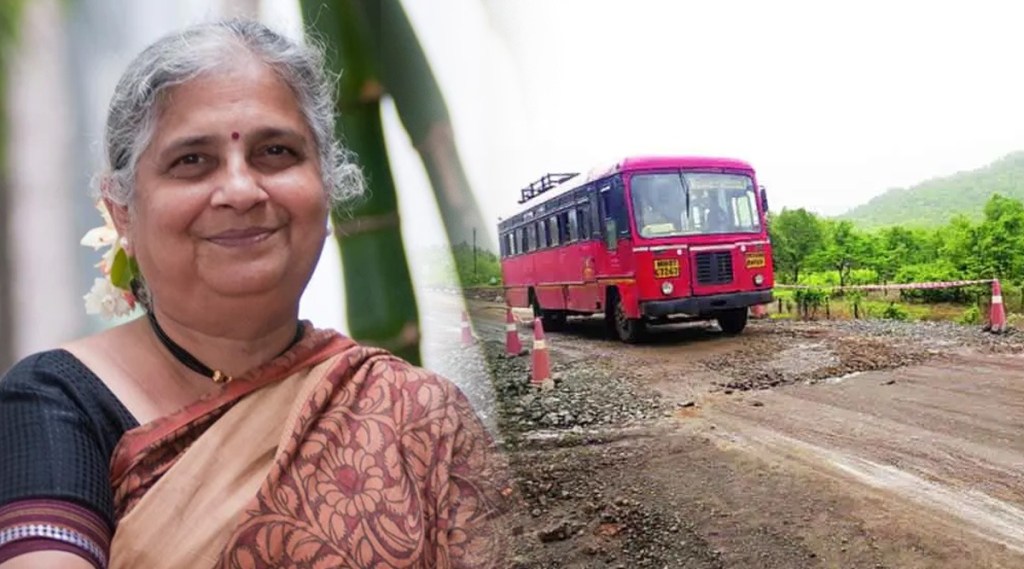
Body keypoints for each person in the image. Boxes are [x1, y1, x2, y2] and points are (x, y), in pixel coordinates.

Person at [0, 19, 510, 569]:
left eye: (276, 152)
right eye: (192, 160)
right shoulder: (56, 401)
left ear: (328, 186)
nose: (241, 190)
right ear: (122, 210)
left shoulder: (422, 416)